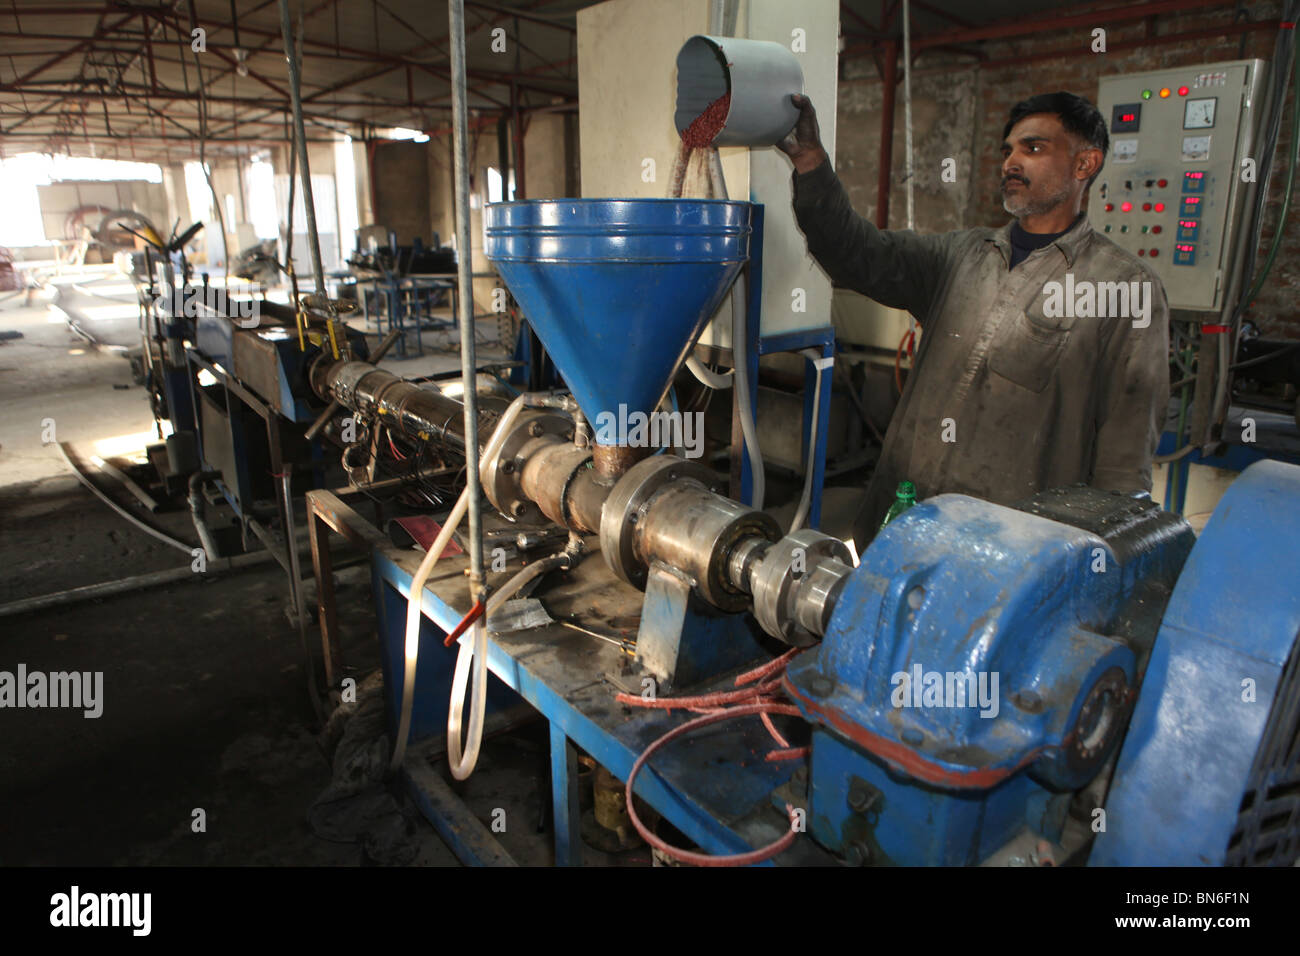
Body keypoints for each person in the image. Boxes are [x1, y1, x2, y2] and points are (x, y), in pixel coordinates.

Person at [779, 91, 1170, 549]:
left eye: (1034, 148)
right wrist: (810, 163)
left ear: (1085, 165)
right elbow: (858, 254)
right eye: (1008, 150)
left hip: (1009, 556)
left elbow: (1123, 462)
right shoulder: (961, 257)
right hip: (900, 526)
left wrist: (1094, 566)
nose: (1011, 162)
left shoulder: (1123, 288)